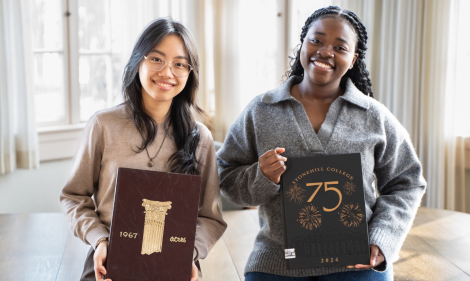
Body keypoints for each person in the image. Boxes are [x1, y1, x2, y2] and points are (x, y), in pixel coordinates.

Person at [217, 6, 426, 281]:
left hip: (355, 260)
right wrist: (261, 176)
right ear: (302, 44)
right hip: (278, 261)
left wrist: (382, 238)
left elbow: (407, 181)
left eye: (340, 47)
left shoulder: (374, 116)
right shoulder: (262, 110)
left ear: (353, 60)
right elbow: (226, 172)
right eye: (316, 40)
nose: (326, 51)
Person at [60, 18, 226, 281]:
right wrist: (98, 239)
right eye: (157, 59)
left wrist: (190, 254)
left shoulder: (201, 137)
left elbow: (211, 217)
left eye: (180, 64)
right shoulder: (103, 125)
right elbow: (73, 197)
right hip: (109, 260)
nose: (167, 72)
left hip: (176, 266)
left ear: (189, 72)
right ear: (138, 60)